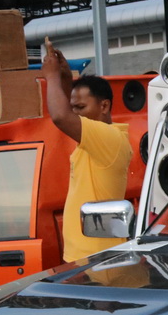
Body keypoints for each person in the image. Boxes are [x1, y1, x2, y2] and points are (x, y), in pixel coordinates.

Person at [41, 39, 132, 262]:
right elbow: (67, 112)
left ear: (104, 106)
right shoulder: (96, 139)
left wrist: (51, 76)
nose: (76, 114)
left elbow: (61, 116)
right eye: (74, 108)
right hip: (88, 257)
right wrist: (64, 77)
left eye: (81, 108)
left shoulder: (108, 138)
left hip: (96, 259)